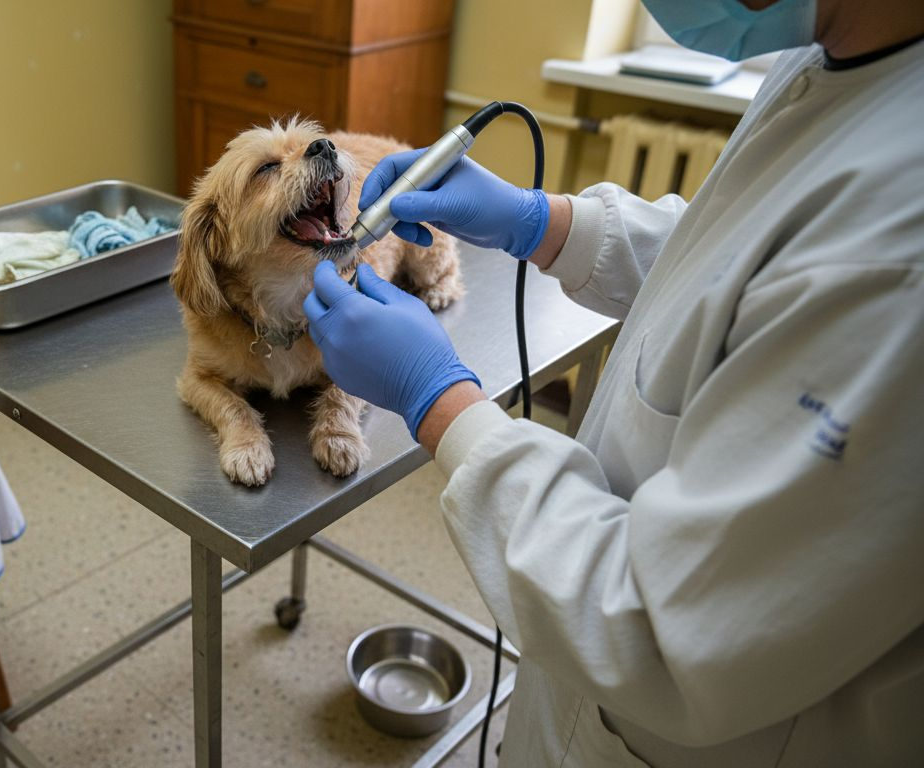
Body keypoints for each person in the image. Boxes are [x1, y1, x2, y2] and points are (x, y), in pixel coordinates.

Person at [302, 0, 924, 765]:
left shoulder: (902, 252)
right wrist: (545, 221)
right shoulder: (831, 57)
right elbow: (739, 260)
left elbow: (665, 635)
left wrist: (440, 401)